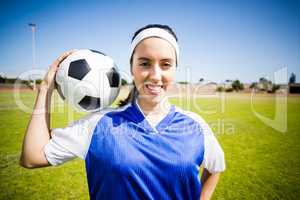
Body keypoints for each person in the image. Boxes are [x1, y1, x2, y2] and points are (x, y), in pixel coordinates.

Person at [20, 24, 225, 200]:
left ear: (175, 69)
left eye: (166, 64)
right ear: (131, 67)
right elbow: (32, 157)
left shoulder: (195, 125)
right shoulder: (98, 124)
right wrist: (46, 88)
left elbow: (216, 167)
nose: (155, 75)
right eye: (144, 63)